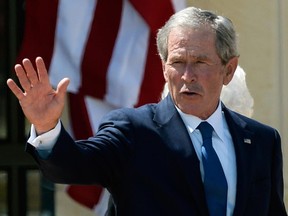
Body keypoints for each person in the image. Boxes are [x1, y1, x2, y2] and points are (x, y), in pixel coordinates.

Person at [7, 6, 286, 216]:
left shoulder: (262, 141)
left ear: (229, 69)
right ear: (164, 68)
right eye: (177, 62)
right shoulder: (134, 130)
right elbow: (74, 166)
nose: (187, 75)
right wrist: (47, 127)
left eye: (200, 62)